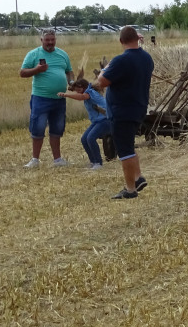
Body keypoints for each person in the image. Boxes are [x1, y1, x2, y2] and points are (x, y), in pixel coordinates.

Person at [96, 26, 154, 199]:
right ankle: (137, 178)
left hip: (122, 111)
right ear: (137, 38)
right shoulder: (147, 58)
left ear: (121, 41)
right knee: (128, 145)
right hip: (138, 108)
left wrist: (104, 69)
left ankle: (130, 190)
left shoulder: (120, 60)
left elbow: (102, 82)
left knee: (124, 151)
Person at [20, 28, 74, 168]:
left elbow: (69, 71)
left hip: (60, 99)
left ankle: (57, 160)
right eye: (47, 40)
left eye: (52, 40)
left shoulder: (63, 54)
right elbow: (22, 72)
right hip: (41, 98)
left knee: (57, 128)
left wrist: (72, 82)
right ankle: (35, 160)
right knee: (38, 128)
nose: (50, 42)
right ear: (41, 40)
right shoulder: (33, 54)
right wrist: (37, 70)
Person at [59, 79, 111, 170]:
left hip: (105, 120)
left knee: (91, 138)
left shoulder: (90, 92)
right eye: (76, 89)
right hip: (97, 121)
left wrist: (66, 94)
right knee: (84, 139)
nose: (77, 91)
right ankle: (93, 161)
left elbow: (82, 97)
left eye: (79, 89)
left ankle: (98, 162)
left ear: (83, 87)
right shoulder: (88, 91)